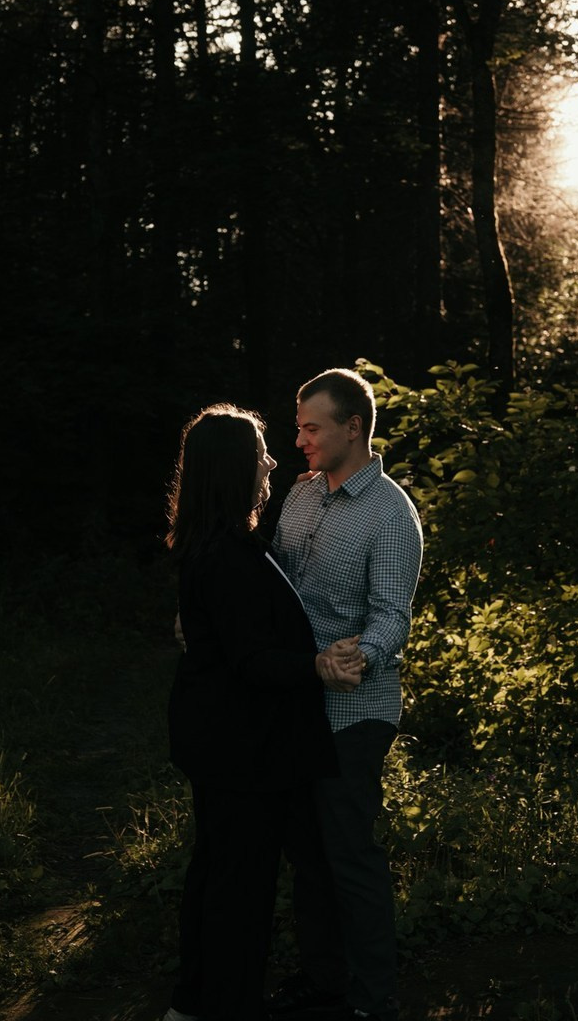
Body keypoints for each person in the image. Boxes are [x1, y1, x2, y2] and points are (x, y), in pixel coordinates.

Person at [164, 403, 365, 1021]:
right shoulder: (226, 555)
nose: (273, 461)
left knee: (218, 873)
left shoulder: (222, 543)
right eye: (259, 455)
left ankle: (195, 1002)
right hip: (240, 748)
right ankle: (224, 1004)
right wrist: (317, 665)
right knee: (239, 888)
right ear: (232, 469)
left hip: (225, 742)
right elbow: (251, 659)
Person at [269, 369, 424, 1021]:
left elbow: (392, 617)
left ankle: (373, 997)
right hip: (297, 703)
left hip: (355, 711)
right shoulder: (302, 495)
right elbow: (277, 586)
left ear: (352, 427)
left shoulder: (390, 512)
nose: (299, 440)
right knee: (307, 854)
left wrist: (351, 660)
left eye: (312, 428)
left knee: (349, 854)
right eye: (299, 427)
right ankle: (324, 979)